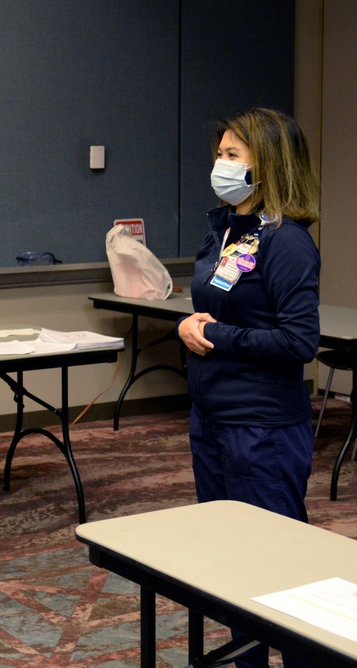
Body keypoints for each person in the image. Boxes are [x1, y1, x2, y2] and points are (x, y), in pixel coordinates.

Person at [177, 107, 320, 668]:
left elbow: (297, 341)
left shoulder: (287, 242)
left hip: (262, 426)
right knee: (232, 561)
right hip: (212, 417)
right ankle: (250, 662)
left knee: (278, 564)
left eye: (233, 155)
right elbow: (216, 311)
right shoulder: (229, 230)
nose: (220, 164)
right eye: (220, 153)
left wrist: (219, 333)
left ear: (270, 166)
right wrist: (189, 325)